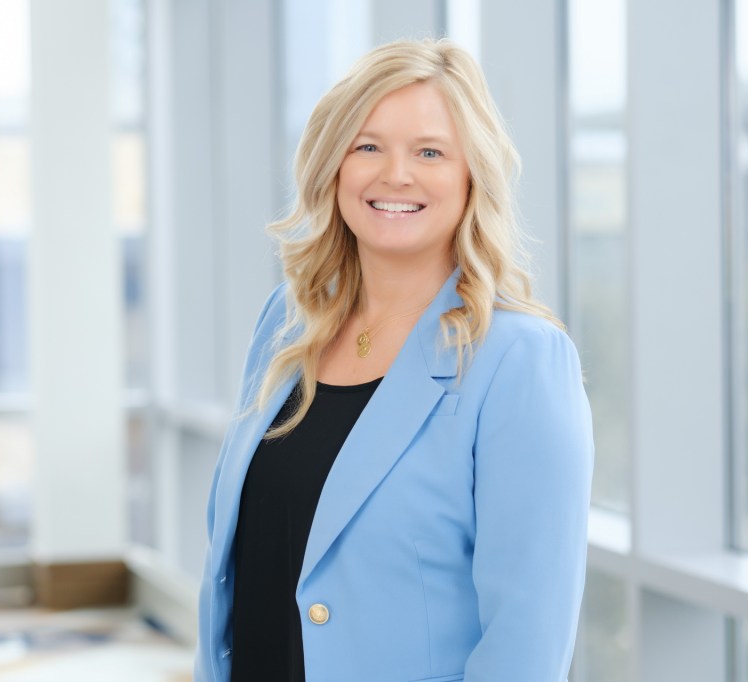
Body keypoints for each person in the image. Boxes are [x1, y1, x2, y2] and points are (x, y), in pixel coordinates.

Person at [195, 38, 594, 682]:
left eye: (430, 152)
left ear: (472, 176)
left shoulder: (520, 361)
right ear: (333, 165)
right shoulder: (287, 321)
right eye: (368, 146)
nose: (395, 175)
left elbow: (525, 639)